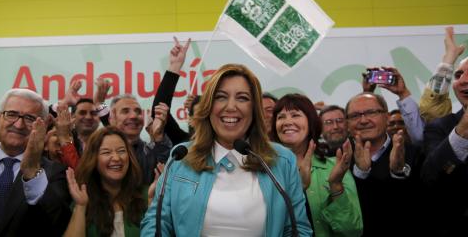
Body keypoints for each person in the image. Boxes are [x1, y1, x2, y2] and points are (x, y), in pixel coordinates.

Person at [141, 64, 312, 236]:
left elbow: (299, 229)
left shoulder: (282, 160)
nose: (231, 107)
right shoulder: (181, 157)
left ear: (254, 109)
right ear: (208, 106)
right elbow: (156, 223)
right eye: (221, 97)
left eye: (242, 98)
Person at [271, 93, 363, 237]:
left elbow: (352, 230)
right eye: (281, 117)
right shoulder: (265, 168)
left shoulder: (334, 167)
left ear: (311, 122)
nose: (287, 122)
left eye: (295, 115)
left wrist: (336, 185)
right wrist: (297, 189)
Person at [0, 88, 71, 236]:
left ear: (43, 126)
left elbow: (59, 223)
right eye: (12, 114)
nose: (19, 125)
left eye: (29, 119)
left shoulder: (55, 173)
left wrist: (33, 174)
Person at [345, 92, 420, 236]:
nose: (363, 120)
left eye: (371, 112)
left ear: (386, 117)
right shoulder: (337, 157)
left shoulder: (412, 153)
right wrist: (360, 173)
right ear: (347, 123)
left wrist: (398, 172)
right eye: (355, 116)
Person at [64, 126, 148, 237]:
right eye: (106, 152)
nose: (116, 158)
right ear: (93, 159)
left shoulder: (147, 196)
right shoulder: (82, 199)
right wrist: (80, 206)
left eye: (121, 151)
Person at [422, 55, 468, 236]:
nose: (463, 81)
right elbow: (430, 177)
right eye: (458, 75)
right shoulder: (440, 127)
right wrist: (462, 131)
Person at [109, 94, 172, 185]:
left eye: (138, 111)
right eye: (125, 111)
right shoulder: (100, 149)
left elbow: (166, 172)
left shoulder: (151, 151)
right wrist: (100, 103)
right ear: (113, 118)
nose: (134, 116)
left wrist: (158, 137)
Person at [420, 26, 465, 123]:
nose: (463, 80)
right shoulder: (449, 125)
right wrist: (448, 62)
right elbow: (431, 111)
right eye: (458, 75)